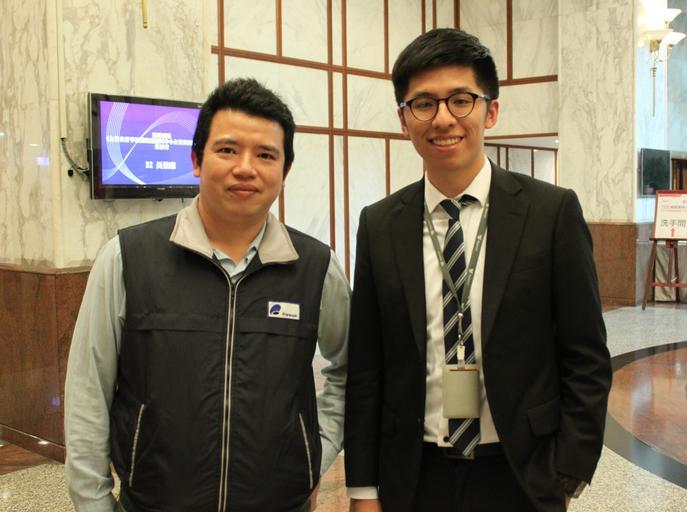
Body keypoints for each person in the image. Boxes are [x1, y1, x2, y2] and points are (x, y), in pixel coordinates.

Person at [344, 28, 612, 512]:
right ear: (404, 120)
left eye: (461, 99)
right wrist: (363, 488)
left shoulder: (550, 212)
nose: (443, 118)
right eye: (423, 104)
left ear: (491, 110)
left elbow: (586, 354)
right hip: (412, 473)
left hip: (520, 470)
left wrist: (568, 470)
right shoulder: (379, 224)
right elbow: (366, 367)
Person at [64, 78, 349, 512]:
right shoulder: (127, 259)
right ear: (196, 160)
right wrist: (92, 502)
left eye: (266, 155)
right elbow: (89, 390)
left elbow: (350, 369)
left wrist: (314, 455)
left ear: (285, 171)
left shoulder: (316, 267)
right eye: (228, 149)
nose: (246, 168)